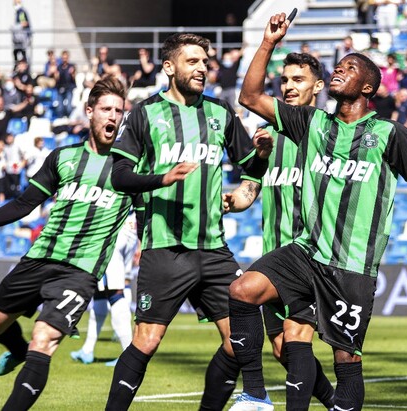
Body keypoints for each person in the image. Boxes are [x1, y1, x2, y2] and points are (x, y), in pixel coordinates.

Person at [228, 12, 407, 411]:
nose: (338, 70)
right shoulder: (311, 123)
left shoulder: (388, 134)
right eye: (338, 65)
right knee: (243, 291)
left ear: (367, 86)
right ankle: (256, 395)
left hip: (351, 268)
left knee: (346, 361)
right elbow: (249, 97)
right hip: (306, 251)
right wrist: (268, 43)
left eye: (349, 68)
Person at [0, 76, 197, 411]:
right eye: (106, 109)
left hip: (80, 272)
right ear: (89, 112)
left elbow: (148, 217)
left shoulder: (130, 170)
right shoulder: (63, 158)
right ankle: (17, 351)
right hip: (39, 259)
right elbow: (23, 204)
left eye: (119, 111)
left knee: (43, 340)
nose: (113, 116)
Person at [103, 32, 272, 411]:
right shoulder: (144, 114)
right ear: (169, 67)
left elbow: (250, 168)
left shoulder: (220, 112)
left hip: (213, 249)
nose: (201, 68)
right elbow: (119, 176)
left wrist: (260, 155)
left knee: (239, 341)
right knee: (147, 340)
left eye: (204, 62)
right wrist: (161, 178)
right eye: (192, 61)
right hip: (166, 248)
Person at [222, 52, 335, 410]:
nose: (288, 87)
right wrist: (229, 201)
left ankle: (258, 397)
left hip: (311, 257)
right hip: (274, 256)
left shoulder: (329, 133)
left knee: (295, 336)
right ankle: (336, 403)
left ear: (318, 86)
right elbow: (249, 191)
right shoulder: (267, 137)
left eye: (298, 80)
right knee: (281, 348)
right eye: (284, 80)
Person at [70, 210, 139, 366]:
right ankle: (87, 349)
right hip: (131, 230)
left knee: (115, 292)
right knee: (102, 290)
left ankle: (128, 355)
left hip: (113, 231)